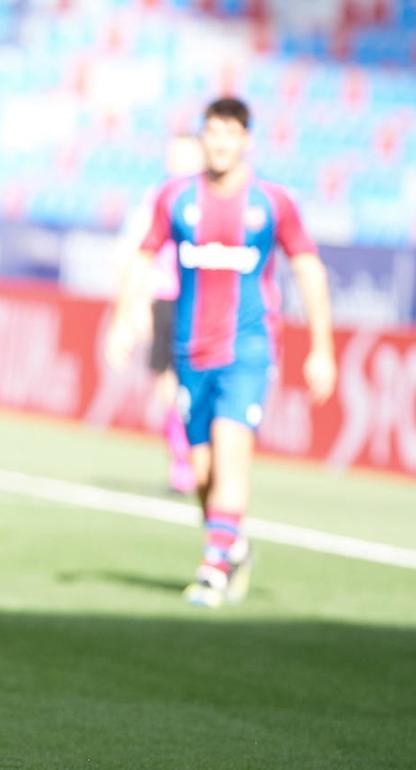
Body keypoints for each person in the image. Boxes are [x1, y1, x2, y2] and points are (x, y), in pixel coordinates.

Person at [107, 97, 336, 608]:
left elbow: (308, 268)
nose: (220, 143)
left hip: (248, 350)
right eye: (212, 133)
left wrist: (322, 347)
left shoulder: (272, 202)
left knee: (231, 456)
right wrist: (127, 315)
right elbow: (142, 255)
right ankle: (234, 544)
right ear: (203, 138)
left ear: (246, 140)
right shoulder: (176, 198)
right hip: (191, 353)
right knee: (204, 473)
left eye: (230, 134)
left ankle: (212, 569)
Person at [112, 134, 204, 494]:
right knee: (168, 379)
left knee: (196, 380)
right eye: (174, 155)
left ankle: (198, 455)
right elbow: (133, 252)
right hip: (165, 297)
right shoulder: (157, 199)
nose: (178, 161)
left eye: (186, 155)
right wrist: (134, 306)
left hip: (204, 299)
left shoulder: (212, 198)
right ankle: (181, 460)